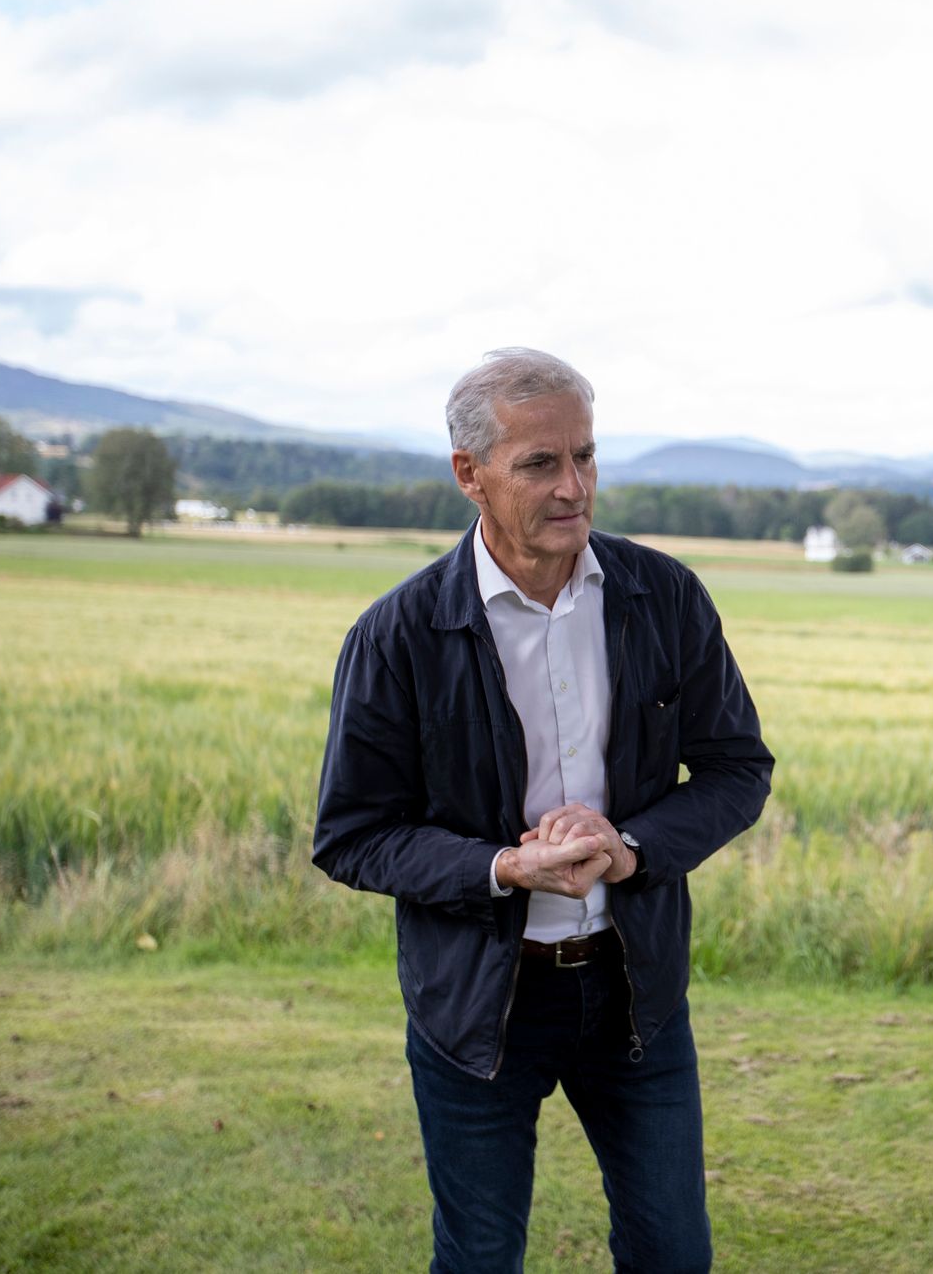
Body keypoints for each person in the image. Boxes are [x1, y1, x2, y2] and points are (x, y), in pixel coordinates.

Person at [313, 348, 774, 1273]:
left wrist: (632, 845)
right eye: (540, 463)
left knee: (674, 1255)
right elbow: (354, 834)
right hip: (477, 1002)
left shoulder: (666, 597)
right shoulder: (397, 635)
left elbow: (736, 768)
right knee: (479, 1260)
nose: (575, 487)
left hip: (633, 991)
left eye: (587, 457)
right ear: (468, 473)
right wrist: (503, 868)